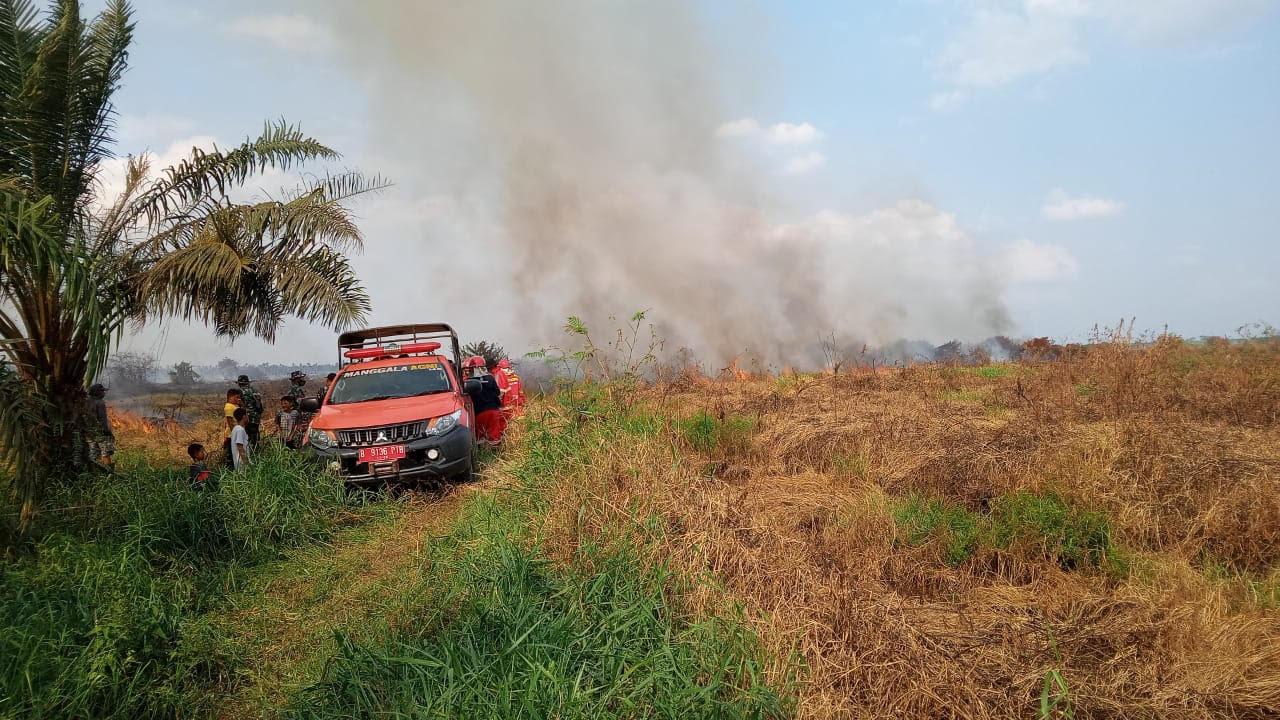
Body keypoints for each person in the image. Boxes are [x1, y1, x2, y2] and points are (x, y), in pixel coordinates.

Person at [462, 355, 506, 444]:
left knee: (480, 437)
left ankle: (483, 454)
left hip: (479, 413)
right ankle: (496, 454)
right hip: (493, 410)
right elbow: (497, 392)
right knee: (495, 435)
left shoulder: (469, 382)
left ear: (471, 369)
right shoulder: (490, 378)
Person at [85, 383, 115, 471]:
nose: (104, 393)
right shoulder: (100, 403)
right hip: (100, 432)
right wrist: (108, 432)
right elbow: (103, 420)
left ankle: (94, 471)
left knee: (93, 452)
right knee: (105, 453)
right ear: (97, 392)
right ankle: (109, 472)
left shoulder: (86, 401)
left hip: (89, 432)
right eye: (102, 391)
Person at [236, 375, 264, 447]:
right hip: (256, 416)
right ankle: (257, 449)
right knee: (255, 433)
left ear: (239, 384)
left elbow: (240, 405)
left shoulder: (240, 392)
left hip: (247, 416)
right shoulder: (255, 391)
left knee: (248, 435)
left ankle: (251, 451)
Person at [223, 388, 242, 464]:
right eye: (236, 397)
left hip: (234, 434)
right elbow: (230, 421)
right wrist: (236, 434)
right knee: (231, 455)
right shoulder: (229, 407)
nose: (238, 399)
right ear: (230, 397)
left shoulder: (235, 405)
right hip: (231, 436)